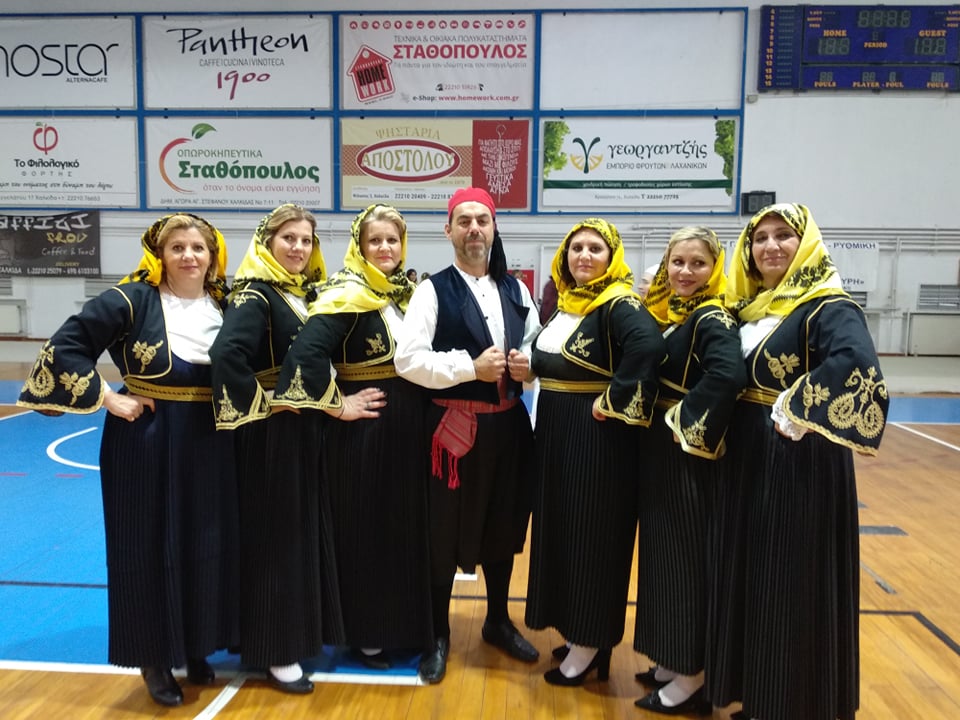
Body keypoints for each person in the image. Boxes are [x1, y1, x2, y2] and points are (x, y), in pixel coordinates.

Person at [17, 214, 239, 707]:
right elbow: (66, 346)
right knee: (146, 545)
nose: (189, 256)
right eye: (177, 247)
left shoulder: (226, 303)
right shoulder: (130, 299)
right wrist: (108, 397)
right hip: (147, 439)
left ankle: (196, 644)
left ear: (213, 255)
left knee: (205, 541)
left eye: (198, 247)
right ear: (160, 255)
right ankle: (153, 658)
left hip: (210, 440)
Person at [705, 203, 889, 720]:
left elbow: (855, 363)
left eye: (783, 235)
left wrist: (800, 404)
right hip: (746, 461)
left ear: (805, 244)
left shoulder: (828, 306)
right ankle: (762, 696)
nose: (770, 246)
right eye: (760, 237)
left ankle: (792, 703)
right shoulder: (748, 309)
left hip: (797, 463)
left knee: (789, 583)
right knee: (753, 578)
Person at [209, 204, 368, 694]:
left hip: (302, 431)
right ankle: (276, 651)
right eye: (289, 238)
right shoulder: (255, 294)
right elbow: (226, 355)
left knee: (298, 536)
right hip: (271, 437)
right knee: (275, 541)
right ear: (267, 242)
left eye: (306, 240)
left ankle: (294, 635)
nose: (299, 248)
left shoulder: (299, 292)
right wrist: (266, 404)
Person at [273, 204, 433, 669]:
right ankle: (367, 635)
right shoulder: (345, 293)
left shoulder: (405, 295)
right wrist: (337, 405)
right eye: (374, 240)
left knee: (404, 530)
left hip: (409, 431)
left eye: (392, 240)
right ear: (359, 247)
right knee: (368, 533)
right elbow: (304, 357)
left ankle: (403, 628)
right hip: (365, 436)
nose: (385, 248)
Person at [394, 186, 541, 684]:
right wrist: (467, 368)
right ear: (448, 230)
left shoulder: (517, 290)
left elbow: (535, 343)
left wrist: (528, 366)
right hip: (453, 432)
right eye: (464, 221)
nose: (474, 228)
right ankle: (437, 634)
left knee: (504, 524)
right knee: (442, 532)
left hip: (509, 426)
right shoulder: (431, 291)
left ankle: (497, 620)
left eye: (482, 220)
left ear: (494, 227)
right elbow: (408, 360)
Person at [524, 217, 665, 686]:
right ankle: (581, 634)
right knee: (565, 533)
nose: (584, 256)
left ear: (612, 257)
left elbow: (648, 346)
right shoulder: (568, 304)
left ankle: (590, 642)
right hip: (559, 437)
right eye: (576, 248)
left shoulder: (618, 303)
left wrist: (614, 398)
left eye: (595, 248)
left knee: (593, 538)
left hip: (597, 442)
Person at [632, 226, 745, 714]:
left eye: (698, 263)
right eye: (677, 262)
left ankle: (691, 678)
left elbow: (728, 374)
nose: (685, 271)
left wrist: (685, 422)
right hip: (663, 453)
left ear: (715, 268)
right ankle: (672, 659)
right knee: (664, 558)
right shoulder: (679, 313)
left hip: (687, 458)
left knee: (684, 564)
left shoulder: (712, 316)